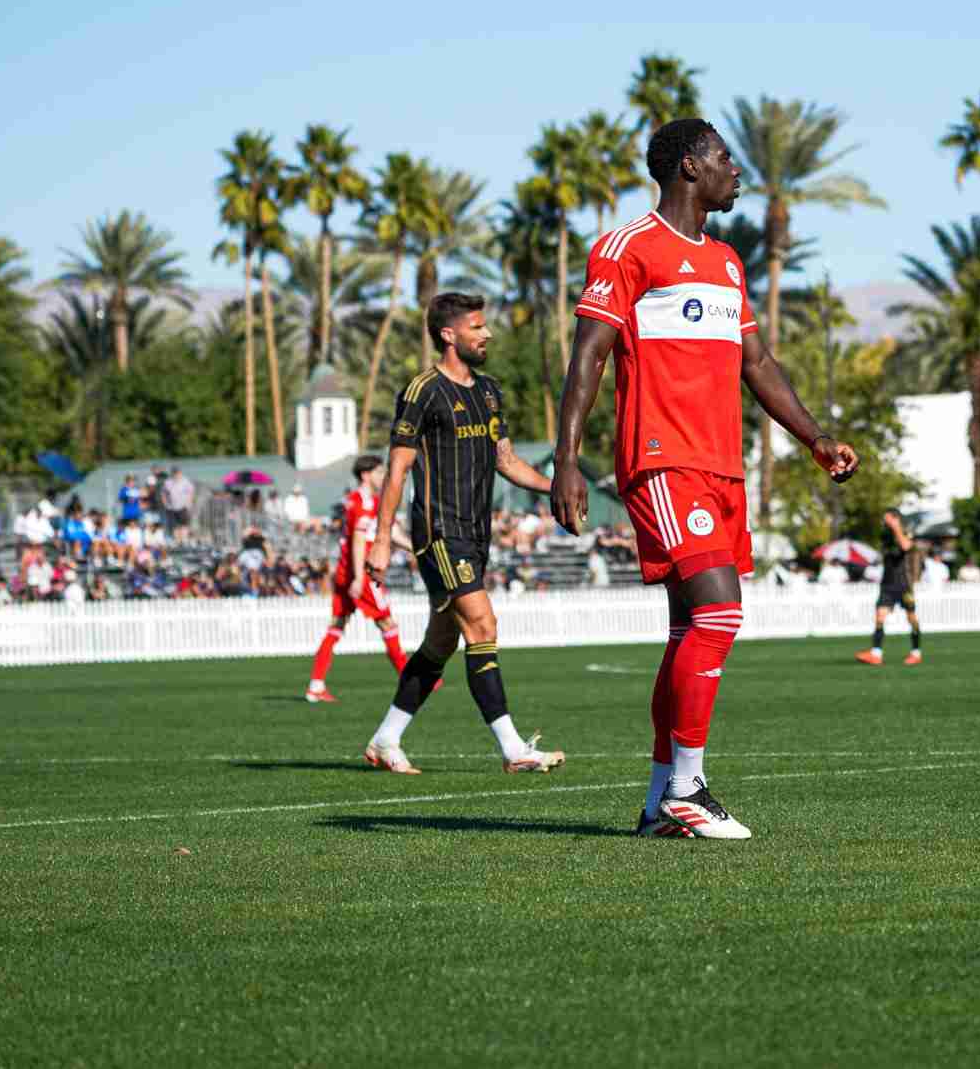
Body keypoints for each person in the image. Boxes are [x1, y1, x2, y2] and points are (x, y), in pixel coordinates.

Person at [551, 117, 859, 841]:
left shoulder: (725, 261)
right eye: (724, 157)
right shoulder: (629, 248)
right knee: (721, 614)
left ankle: (661, 799)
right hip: (663, 459)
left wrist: (815, 437)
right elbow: (589, 354)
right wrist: (567, 460)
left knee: (691, 625)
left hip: (721, 466)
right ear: (689, 166)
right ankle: (689, 788)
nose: (736, 170)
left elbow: (757, 364)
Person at [362, 293, 564, 774]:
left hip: (475, 534)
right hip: (438, 531)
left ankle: (384, 741)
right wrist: (382, 538)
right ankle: (514, 749)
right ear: (449, 335)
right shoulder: (422, 391)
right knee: (483, 625)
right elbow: (397, 471)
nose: (487, 333)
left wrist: (557, 490)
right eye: (477, 326)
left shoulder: (490, 390)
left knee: (440, 644)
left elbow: (508, 461)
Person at [304, 454, 408, 703]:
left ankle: (315, 686)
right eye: (379, 472)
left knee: (336, 626)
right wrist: (359, 577)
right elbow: (359, 540)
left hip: (347, 571)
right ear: (365, 475)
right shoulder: (362, 502)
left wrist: (416, 549)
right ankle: (411, 679)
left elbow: (390, 532)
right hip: (360, 573)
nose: (383, 476)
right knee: (388, 623)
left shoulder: (364, 500)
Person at [857, 509, 923, 667]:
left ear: (895, 518)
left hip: (903, 584)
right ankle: (876, 654)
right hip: (887, 583)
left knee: (911, 618)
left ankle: (916, 653)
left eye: (887, 519)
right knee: (880, 616)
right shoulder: (885, 535)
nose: (884, 522)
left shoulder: (906, 532)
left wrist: (896, 528)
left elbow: (906, 547)